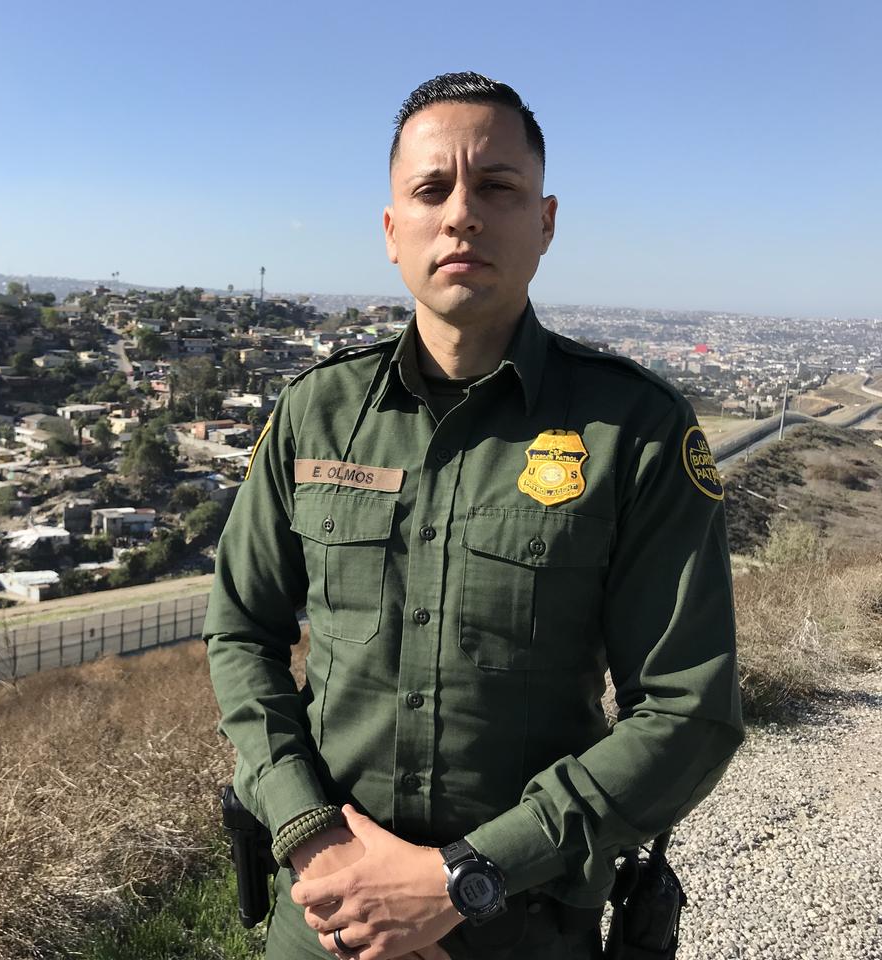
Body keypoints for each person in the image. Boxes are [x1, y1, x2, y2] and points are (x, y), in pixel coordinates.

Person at [203, 72, 744, 960]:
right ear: (391, 231)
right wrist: (309, 830)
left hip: (522, 924)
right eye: (431, 190)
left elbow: (690, 709)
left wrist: (461, 877)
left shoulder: (634, 432)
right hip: (327, 916)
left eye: (497, 187)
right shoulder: (316, 412)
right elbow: (240, 631)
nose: (462, 214)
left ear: (546, 222)